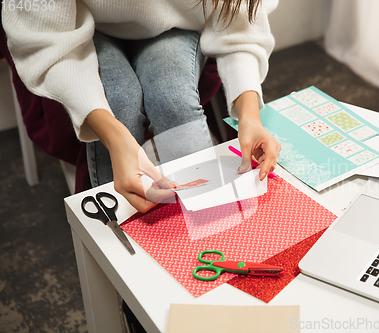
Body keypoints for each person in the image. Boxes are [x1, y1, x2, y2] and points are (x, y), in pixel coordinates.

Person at [3, 0, 281, 212]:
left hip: (178, 19)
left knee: (173, 101)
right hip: (75, 25)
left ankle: (212, 222)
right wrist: (115, 136)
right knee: (117, 105)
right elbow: (47, 40)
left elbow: (238, 17)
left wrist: (249, 116)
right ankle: (125, 253)